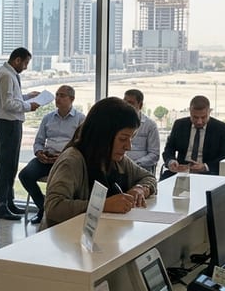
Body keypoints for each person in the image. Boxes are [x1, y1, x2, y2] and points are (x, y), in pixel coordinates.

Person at [40, 97, 158, 230]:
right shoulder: (72, 161)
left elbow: (149, 177)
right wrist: (103, 205)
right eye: (123, 139)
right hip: (68, 242)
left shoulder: (115, 159)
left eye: (131, 138)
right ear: (104, 135)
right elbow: (54, 207)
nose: (128, 146)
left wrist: (140, 189)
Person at [18, 85, 85, 225]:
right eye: (57, 95)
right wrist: (39, 152)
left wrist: (64, 155)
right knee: (25, 175)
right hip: (46, 158)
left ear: (71, 99)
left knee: (63, 183)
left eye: (62, 95)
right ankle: (44, 207)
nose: (58, 98)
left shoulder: (80, 119)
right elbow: (39, 141)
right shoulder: (48, 118)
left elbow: (82, 144)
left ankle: (58, 211)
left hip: (67, 161)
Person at [0, 47, 41, 220]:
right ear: (17, 60)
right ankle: (1, 206)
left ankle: (9, 201)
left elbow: (12, 98)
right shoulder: (6, 75)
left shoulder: (9, 73)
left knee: (11, 165)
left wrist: (27, 96)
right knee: (5, 166)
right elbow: (7, 104)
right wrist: (29, 106)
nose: (26, 67)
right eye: (26, 63)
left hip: (12, 123)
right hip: (8, 124)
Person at [160, 95, 225, 179]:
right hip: (181, 171)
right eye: (195, 117)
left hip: (208, 174)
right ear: (190, 112)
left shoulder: (220, 128)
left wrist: (204, 167)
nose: (199, 121)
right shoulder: (180, 125)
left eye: (203, 117)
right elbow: (169, 149)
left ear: (209, 112)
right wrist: (171, 162)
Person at [123, 89, 160, 174]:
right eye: (124, 102)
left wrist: (136, 164)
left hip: (140, 169)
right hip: (120, 166)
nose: (126, 106)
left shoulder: (150, 125)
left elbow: (154, 154)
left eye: (130, 103)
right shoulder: (117, 121)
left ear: (140, 105)